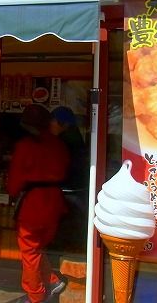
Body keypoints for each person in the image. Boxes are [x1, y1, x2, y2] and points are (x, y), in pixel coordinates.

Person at [7, 104, 70, 303]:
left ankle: (35, 296)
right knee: (37, 248)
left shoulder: (25, 145)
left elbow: (14, 182)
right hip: (55, 203)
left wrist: (12, 194)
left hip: (33, 204)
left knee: (30, 251)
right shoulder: (59, 145)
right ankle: (52, 280)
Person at [49, 106, 89, 252]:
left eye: (52, 121)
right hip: (77, 191)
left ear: (63, 124)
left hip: (69, 192)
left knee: (65, 232)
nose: (49, 125)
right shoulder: (75, 139)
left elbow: (61, 168)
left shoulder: (63, 142)